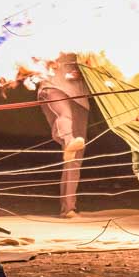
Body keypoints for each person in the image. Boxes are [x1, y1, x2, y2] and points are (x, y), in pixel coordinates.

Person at [38, 53, 89, 218]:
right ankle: (68, 140)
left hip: (80, 97)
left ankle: (68, 209)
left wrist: (84, 72)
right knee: (65, 116)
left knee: (75, 158)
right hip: (53, 87)